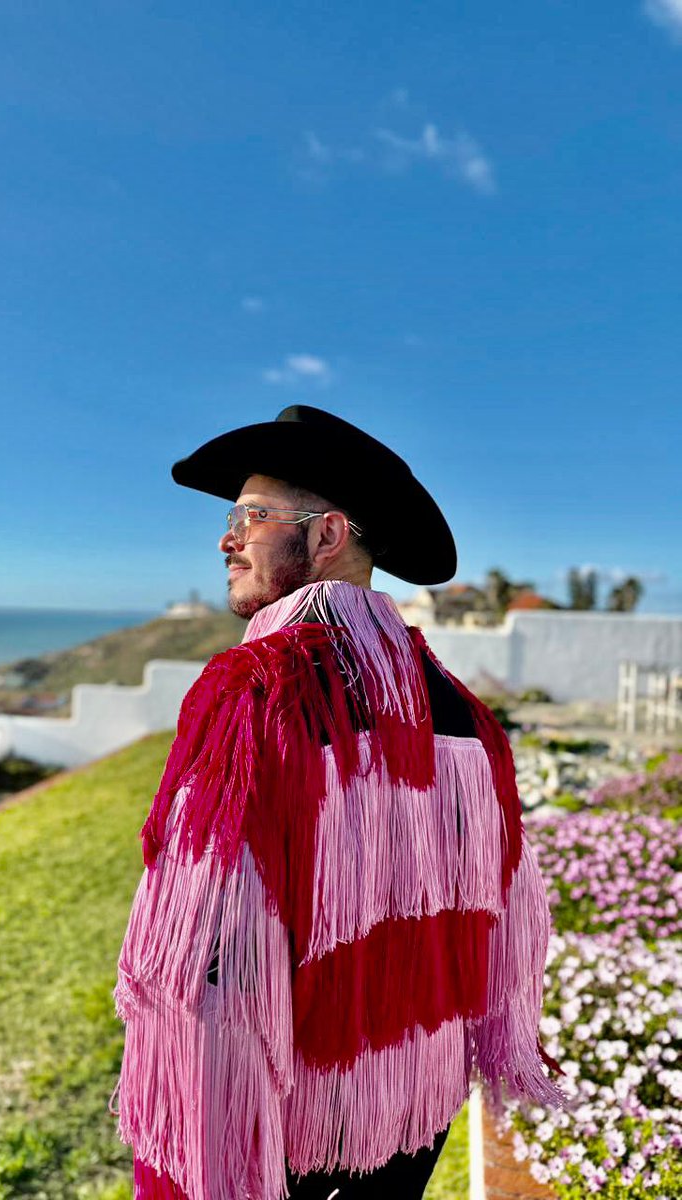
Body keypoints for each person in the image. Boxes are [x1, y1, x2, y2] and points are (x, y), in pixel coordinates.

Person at [109, 405, 568, 1200]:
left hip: (289, 1141)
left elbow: (205, 974)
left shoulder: (257, 694)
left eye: (251, 518)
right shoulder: (463, 715)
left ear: (327, 536)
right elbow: (504, 922)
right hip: (413, 1113)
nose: (227, 540)